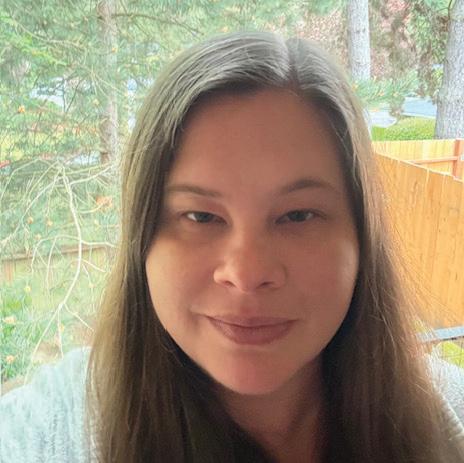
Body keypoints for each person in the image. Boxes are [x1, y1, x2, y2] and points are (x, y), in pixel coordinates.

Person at [1, 31, 464, 463]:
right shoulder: (50, 429)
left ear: (361, 236)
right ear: (144, 239)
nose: (246, 273)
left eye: (297, 215)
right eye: (201, 217)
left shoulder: (447, 419)